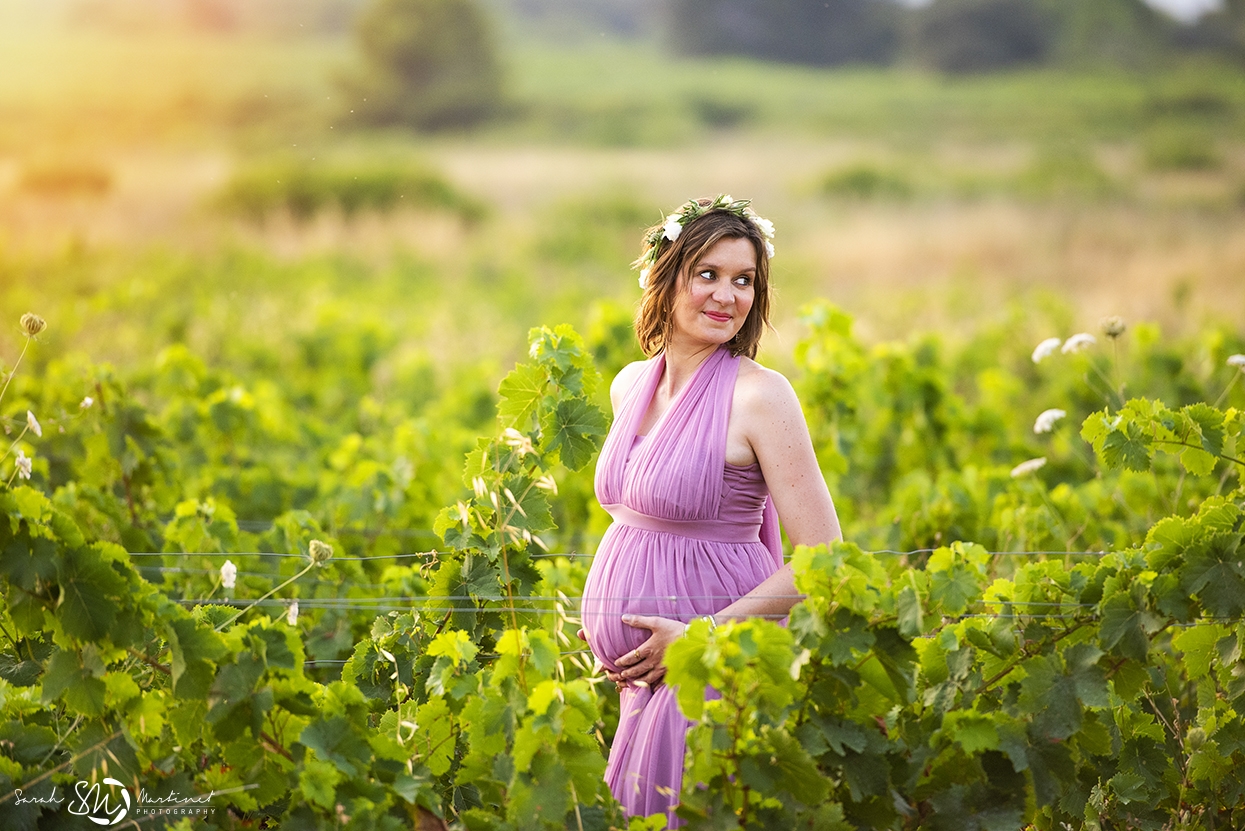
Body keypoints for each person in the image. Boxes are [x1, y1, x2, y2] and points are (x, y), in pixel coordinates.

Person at [579, 195, 841, 824]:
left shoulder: (761, 397)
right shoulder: (628, 385)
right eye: (709, 274)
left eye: (744, 280)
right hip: (639, 680)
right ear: (666, 278)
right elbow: (642, 521)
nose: (728, 296)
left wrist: (704, 639)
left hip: (713, 660)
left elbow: (823, 558)